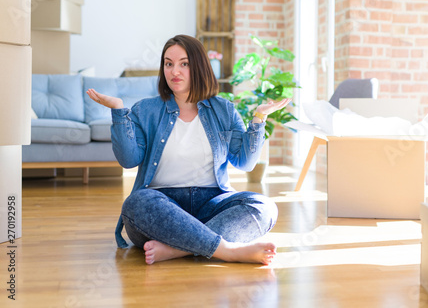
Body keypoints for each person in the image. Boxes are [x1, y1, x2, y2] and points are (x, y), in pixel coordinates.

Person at [86, 34, 291, 265]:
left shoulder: (223, 109)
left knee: (264, 207)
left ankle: (177, 250)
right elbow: (128, 159)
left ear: (199, 66)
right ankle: (227, 250)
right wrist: (119, 111)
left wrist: (259, 119)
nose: (175, 72)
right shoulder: (146, 110)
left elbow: (245, 163)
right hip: (161, 206)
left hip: (211, 202)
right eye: (168, 64)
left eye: (184, 64)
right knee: (136, 204)